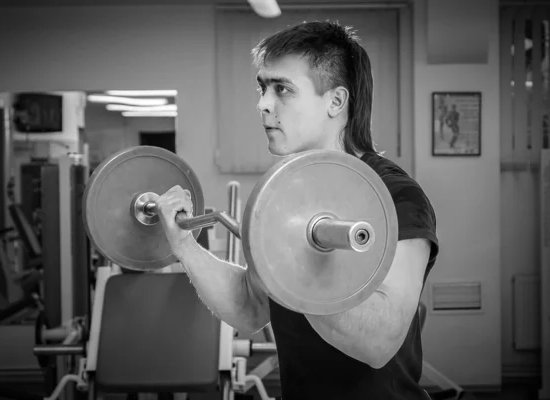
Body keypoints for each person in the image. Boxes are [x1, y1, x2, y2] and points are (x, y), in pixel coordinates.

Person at [152, 21, 439, 400]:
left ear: (336, 102)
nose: (263, 104)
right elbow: (250, 306)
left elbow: (379, 342)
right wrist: (185, 245)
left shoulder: (396, 196)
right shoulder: (287, 193)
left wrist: (292, 271)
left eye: (282, 89)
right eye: (262, 87)